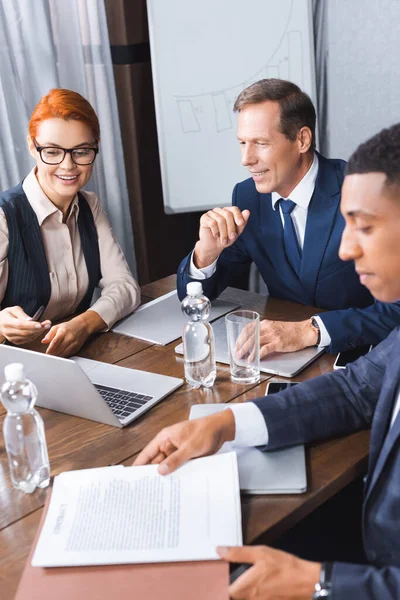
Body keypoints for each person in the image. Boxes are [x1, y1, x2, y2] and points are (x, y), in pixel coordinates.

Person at [137, 123, 400, 598]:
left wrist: (321, 583)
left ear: (300, 139)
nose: (346, 247)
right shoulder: (248, 198)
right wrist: (223, 424)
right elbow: (356, 388)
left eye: (364, 225)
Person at [177, 79, 400, 357]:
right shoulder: (247, 197)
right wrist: (205, 255)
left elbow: (396, 310)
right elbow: (194, 299)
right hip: (283, 355)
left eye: (260, 143)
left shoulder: (361, 193)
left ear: (302, 140)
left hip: (366, 355)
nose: (246, 159)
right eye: (242, 143)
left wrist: (312, 330)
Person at [0, 88, 140, 357]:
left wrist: (84, 324)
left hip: (75, 358)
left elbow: (124, 286)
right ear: (32, 146)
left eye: (81, 151)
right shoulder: (5, 216)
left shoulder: (89, 206)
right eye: (52, 152)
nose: (68, 165)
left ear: (95, 147)